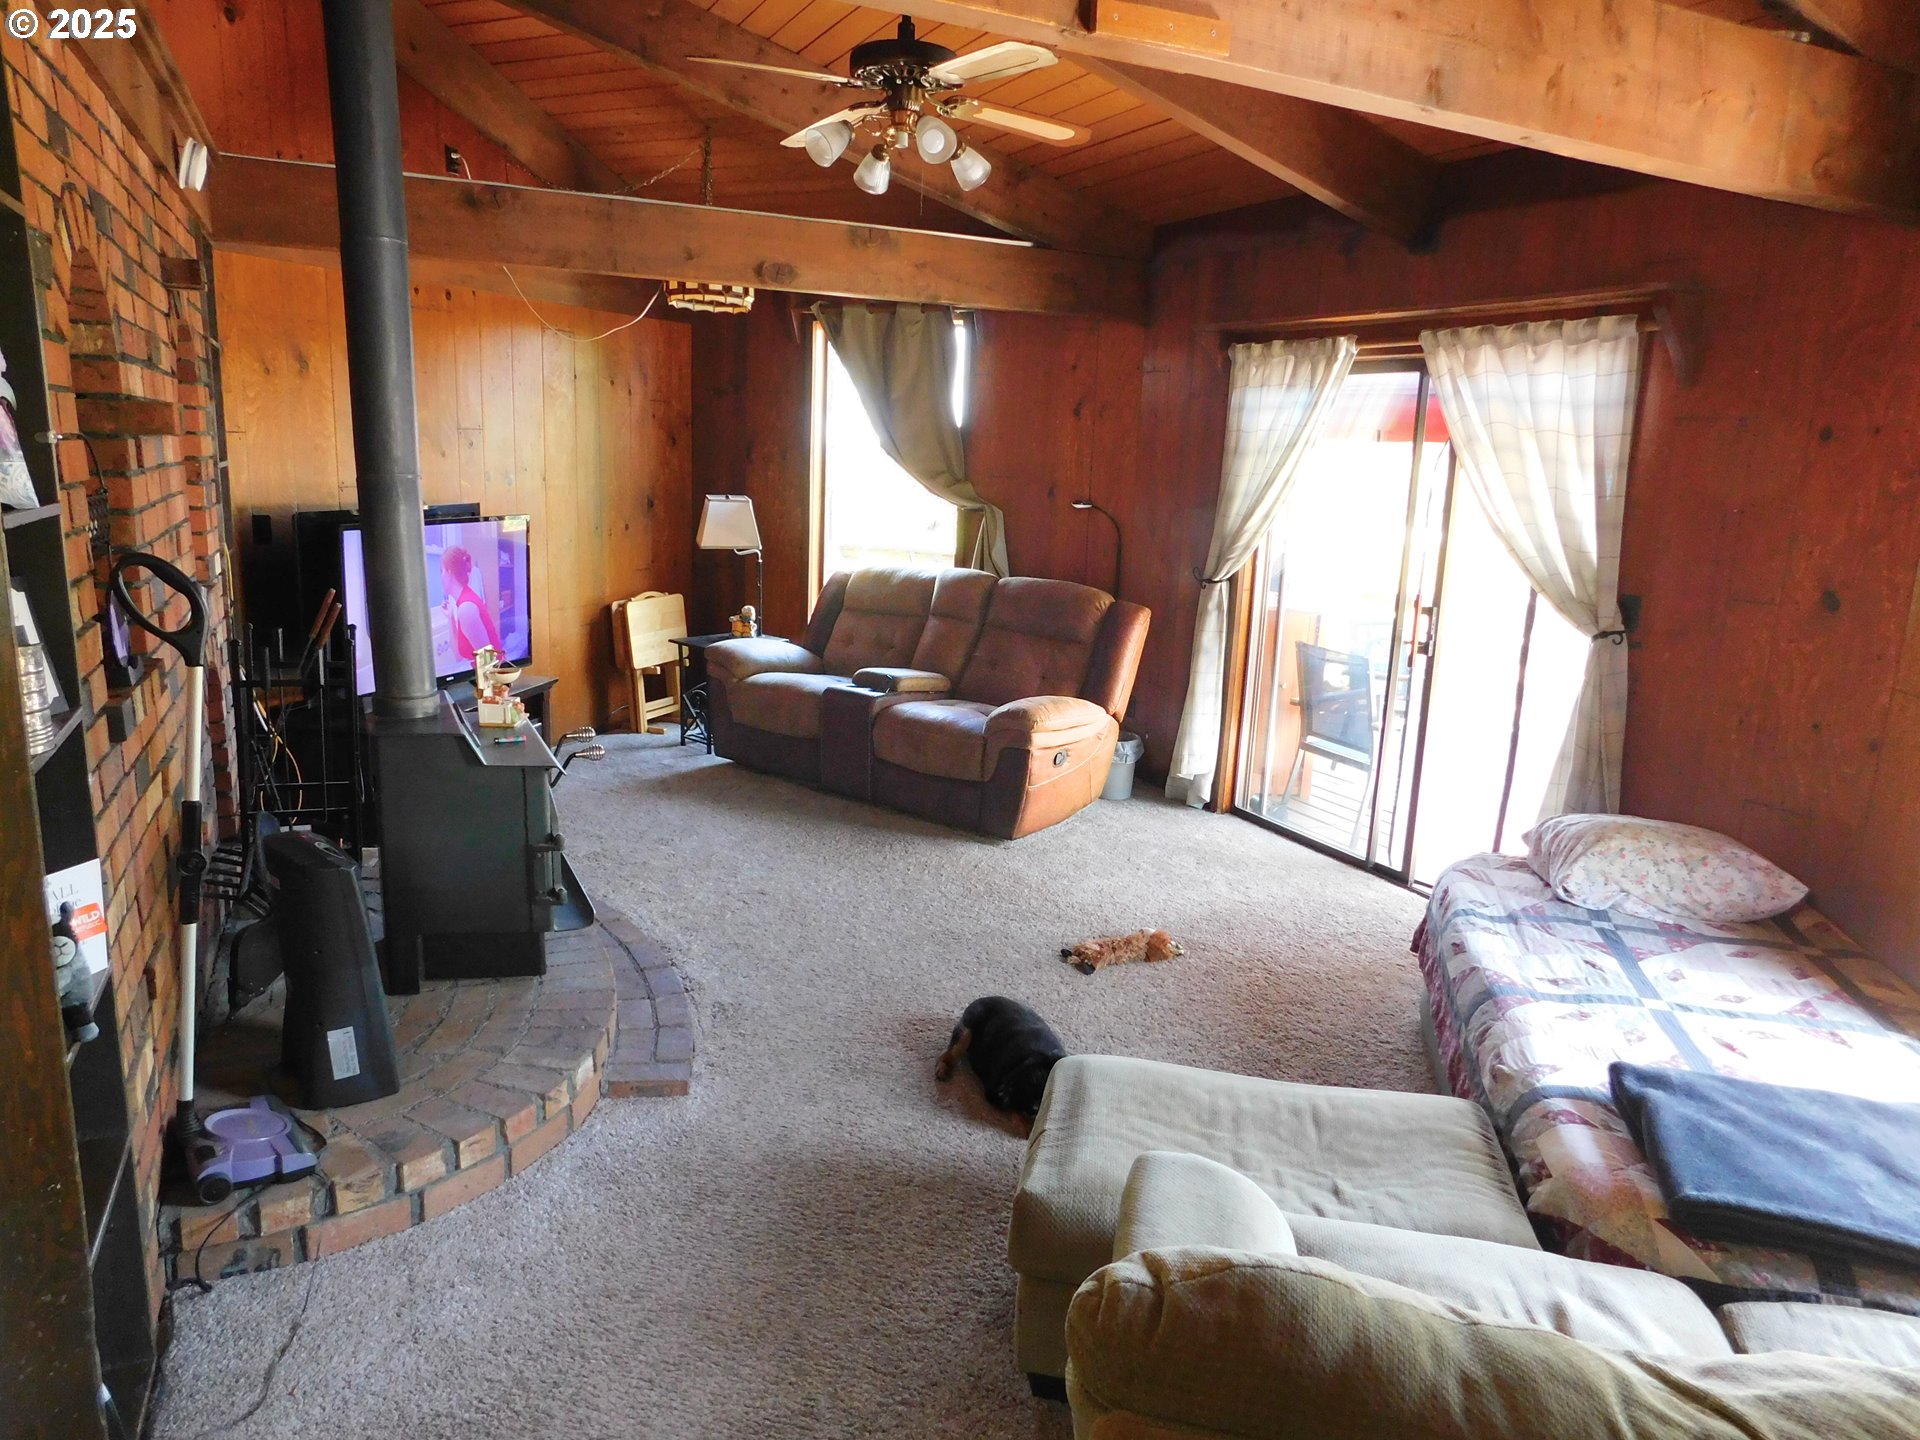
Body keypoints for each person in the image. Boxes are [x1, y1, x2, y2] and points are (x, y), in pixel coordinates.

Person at [440, 544, 503, 664]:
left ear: (449, 572)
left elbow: (489, 664)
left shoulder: (466, 608)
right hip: (477, 678)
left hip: (489, 679)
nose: (440, 577)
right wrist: (450, 617)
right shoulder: (462, 603)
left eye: (441, 571)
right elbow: (458, 656)